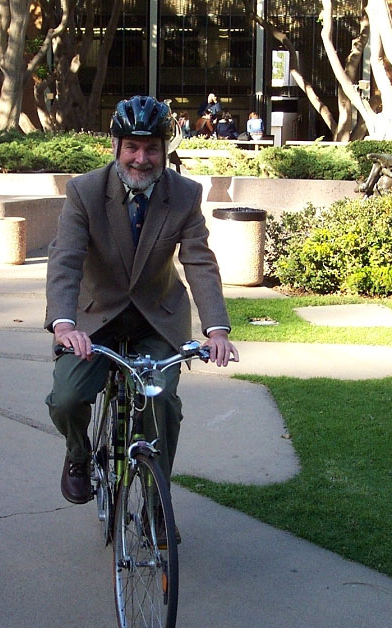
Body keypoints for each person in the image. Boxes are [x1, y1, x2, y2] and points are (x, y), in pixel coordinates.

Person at [45, 95, 239, 519]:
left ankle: (155, 503)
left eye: (152, 148)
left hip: (156, 319)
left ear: (165, 149)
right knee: (68, 397)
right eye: (132, 146)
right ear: (115, 146)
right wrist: (64, 324)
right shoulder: (84, 191)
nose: (141, 158)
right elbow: (66, 259)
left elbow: (199, 260)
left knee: (161, 402)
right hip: (95, 319)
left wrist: (217, 329)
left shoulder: (184, 194)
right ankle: (78, 454)